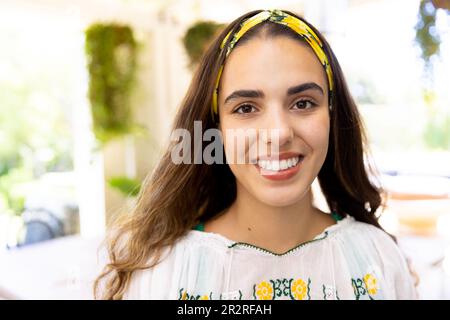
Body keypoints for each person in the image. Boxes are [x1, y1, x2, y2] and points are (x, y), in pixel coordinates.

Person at [95, 9, 417, 300]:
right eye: (246, 108)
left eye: (303, 102)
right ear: (216, 127)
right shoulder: (160, 274)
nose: (278, 133)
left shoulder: (380, 262)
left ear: (332, 116)